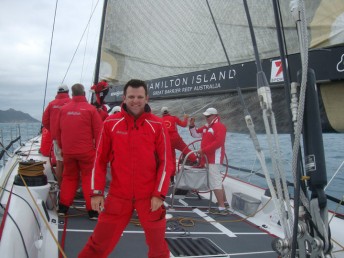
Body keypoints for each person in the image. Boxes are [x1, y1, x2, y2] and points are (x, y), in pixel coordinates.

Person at [78, 79, 173, 258]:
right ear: (124, 98)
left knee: (158, 248)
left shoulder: (158, 125)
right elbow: (99, 160)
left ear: (147, 98)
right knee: (97, 244)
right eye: (131, 96)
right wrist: (96, 192)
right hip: (118, 196)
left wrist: (159, 194)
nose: (135, 101)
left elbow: (166, 162)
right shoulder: (110, 124)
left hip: (150, 198)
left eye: (139, 97)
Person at [56, 83, 102, 220]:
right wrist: (99, 150)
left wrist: (63, 147)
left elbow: (58, 132)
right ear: (84, 94)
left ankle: (63, 208)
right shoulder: (91, 110)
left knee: (69, 178)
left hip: (69, 152)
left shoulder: (63, 110)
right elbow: (99, 132)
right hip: (86, 152)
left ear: (72, 94)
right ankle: (92, 212)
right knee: (88, 179)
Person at [189, 107, 229, 215]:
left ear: (214, 116)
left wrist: (203, 150)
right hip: (208, 159)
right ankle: (224, 202)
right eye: (205, 116)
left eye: (208, 116)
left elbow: (218, 143)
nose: (206, 118)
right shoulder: (208, 127)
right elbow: (195, 134)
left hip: (214, 159)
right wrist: (192, 125)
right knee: (217, 181)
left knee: (215, 182)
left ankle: (222, 208)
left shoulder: (219, 127)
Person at [42, 85, 71, 186]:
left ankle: (60, 185)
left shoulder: (51, 104)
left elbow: (45, 121)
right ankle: (70, 186)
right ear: (68, 92)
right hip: (70, 139)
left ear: (58, 93)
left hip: (57, 139)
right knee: (71, 163)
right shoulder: (72, 102)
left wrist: (53, 131)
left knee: (59, 162)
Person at [161, 106, 198, 183]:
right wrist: (186, 118)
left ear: (162, 113)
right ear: (168, 112)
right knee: (185, 149)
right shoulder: (173, 118)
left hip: (167, 141)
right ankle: (195, 160)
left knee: (171, 159)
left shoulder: (160, 120)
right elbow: (184, 124)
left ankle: (171, 179)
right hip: (176, 139)